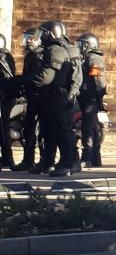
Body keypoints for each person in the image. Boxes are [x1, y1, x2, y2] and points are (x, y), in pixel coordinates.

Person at [30, 21, 83, 177]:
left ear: (51, 33)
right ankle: (48, 160)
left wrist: (71, 94)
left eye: (43, 33)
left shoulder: (61, 50)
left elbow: (74, 76)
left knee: (63, 130)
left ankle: (69, 162)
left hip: (61, 95)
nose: (40, 37)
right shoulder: (54, 49)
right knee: (48, 130)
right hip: (50, 95)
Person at [13, 28, 44, 172]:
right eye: (27, 38)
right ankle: (28, 159)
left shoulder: (39, 55)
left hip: (40, 97)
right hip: (31, 97)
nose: (28, 41)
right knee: (29, 129)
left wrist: (23, 80)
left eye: (31, 38)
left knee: (41, 131)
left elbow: (37, 77)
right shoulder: (30, 56)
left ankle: (44, 160)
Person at [76, 33, 107, 168]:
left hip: (91, 98)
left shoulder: (94, 59)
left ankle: (88, 156)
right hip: (86, 97)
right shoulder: (87, 58)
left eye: (81, 45)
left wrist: (97, 96)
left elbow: (98, 80)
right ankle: (95, 157)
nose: (79, 48)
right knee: (92, 127)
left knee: (88, 128)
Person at [0, 33, 16, 170]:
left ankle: (7, 157)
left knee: (3, 128)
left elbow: (7, 77)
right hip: (4, 96)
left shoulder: (3, 57)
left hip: (4, 97)